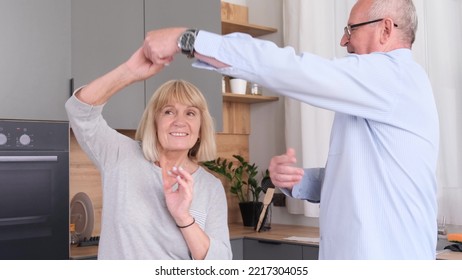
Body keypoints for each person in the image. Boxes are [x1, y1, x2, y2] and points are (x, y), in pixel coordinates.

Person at [141, 0, 439, 259]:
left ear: (386, 29)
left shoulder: (393, 78)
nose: (343, 40)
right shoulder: (375, 93)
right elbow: (363, 180)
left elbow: (293, 70)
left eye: (351, 29)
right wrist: (299, 181)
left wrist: (189, 39)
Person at [65, 46, 232, 260]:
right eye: (169, 111)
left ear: (200, 130)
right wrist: (129, 72)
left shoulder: (211, 187)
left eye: (190, 113)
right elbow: (80, 110)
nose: (180, 121)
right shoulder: (120, 155)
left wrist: (183, 217)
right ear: (155, 122)